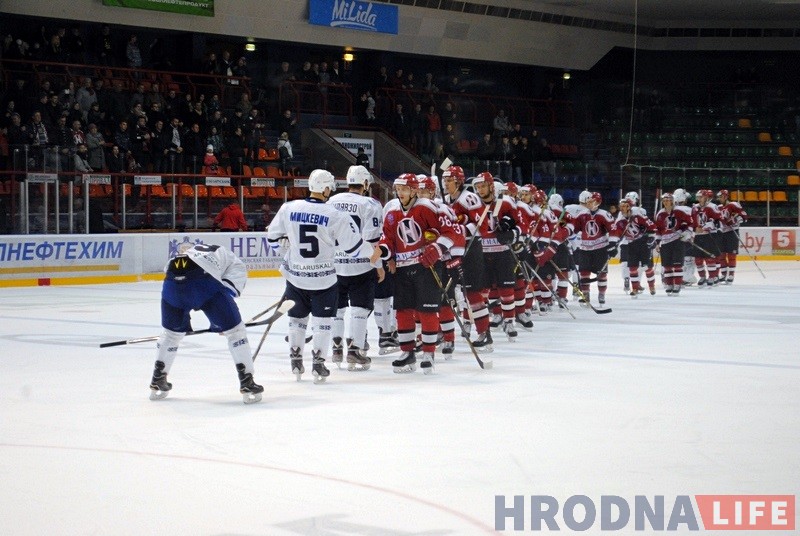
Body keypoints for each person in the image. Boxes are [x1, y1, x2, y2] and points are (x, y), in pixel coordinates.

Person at [267, 169, 375, 383]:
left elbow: (272, 239)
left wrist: (285, 246)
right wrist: (374, 251)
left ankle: (296, 360)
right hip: (323, 280)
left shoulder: (289, 208)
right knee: (322, 322)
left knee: (297, 320)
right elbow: (353, 249)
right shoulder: (334, 214)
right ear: (326, 189)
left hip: (295, 278)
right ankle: (318, 364)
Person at [148, 243, 263, 404]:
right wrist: (224, 322)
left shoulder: (178, 258)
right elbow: (229, 288)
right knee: (236, 332)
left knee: (171, 335)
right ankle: (247, 382)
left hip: (171, 285)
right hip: (203, 284)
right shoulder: (229, 258)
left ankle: (158, 379)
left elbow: (176, 279)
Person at [372, 173, 461, 374]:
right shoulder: (392, 211)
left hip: (426, 267)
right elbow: (388, 238)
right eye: (398, 189)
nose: (400, 193)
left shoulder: (428, 208)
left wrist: (436, 249)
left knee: (427, 310)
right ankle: (407, 352)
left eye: (404, 189)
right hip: (403, 268)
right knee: (403, 310)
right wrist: (383, 251)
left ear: (413, 190)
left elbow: (451, 233)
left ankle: (429, 353)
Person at [328, 165, 384, 370]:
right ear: (365, 183)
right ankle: (355, 350)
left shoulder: (331, 201)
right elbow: (373, 239)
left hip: (335, 264)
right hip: (361, 265)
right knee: (360, 308)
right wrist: (378, 265)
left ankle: (336, 348)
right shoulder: (371, 204)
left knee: (338, 308)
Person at [653, 192, 694, 296]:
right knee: (667, 266)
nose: (666, 202)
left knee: (677, 265)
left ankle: (677, 284)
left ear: (673, 201)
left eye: (668, 200)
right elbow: (658, 230)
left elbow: (690, 223)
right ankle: (669, 284)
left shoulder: (680, 212)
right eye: (664, 201)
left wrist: (687, 233)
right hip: (665, 242)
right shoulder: (660, 214)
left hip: (678, 241)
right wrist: (657, 242)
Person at [716, 189, 748, 284]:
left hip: (732, 232)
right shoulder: (718, 207)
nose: (719, 199)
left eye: (720, 197)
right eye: (718, 197)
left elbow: (744, 217)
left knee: (731, 254)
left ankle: (731, 275)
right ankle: (723, 274)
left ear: (725, 196)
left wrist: (734, 221)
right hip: (721, 233)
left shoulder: (733, 205)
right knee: (721, 254)